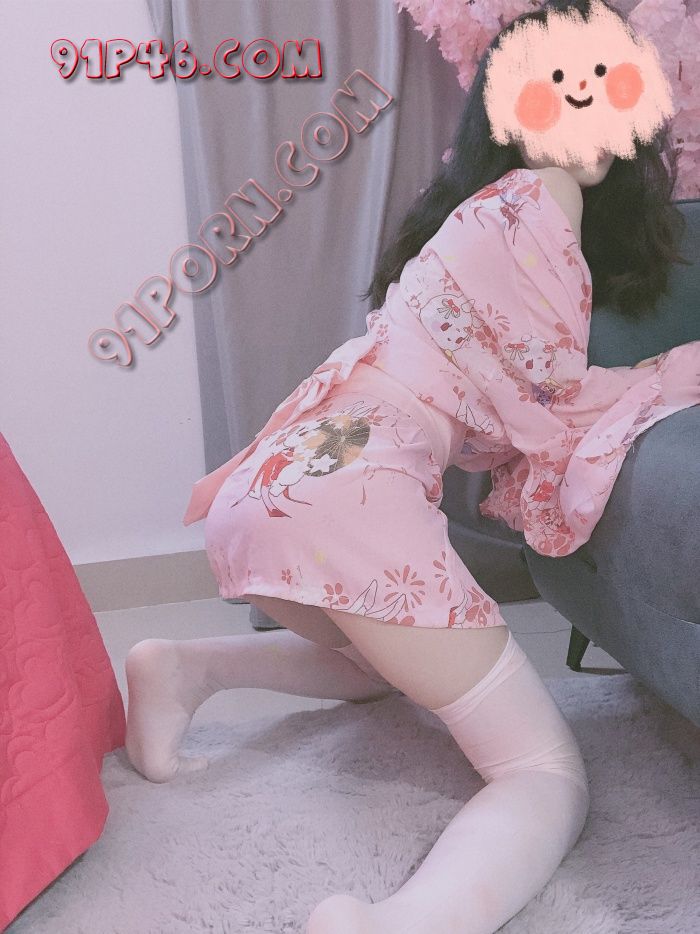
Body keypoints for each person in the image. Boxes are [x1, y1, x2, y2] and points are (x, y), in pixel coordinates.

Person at [124, 2, 700, 931]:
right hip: (349, 500)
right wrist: (672, 371)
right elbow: (551, 404)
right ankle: (404, 921)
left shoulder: (470, 218)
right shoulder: (545, 196)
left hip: (276, 482)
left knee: (383, 663)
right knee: (544, 774)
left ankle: (185, 667)